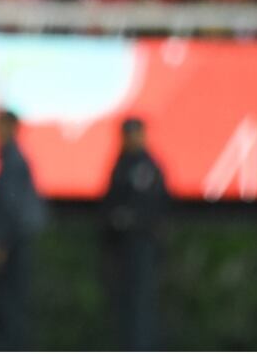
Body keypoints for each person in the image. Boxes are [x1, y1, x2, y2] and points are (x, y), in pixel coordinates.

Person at [0, 109, 46, 351]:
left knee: (8, 311)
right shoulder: (9, 159)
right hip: (12, 245)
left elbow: (10, 208)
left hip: (11, 248)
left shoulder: (13, 161)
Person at [103, 117, 170, 351]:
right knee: (124, 306)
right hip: (121, 246)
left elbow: (158, 208)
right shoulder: (120, 165)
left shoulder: (148, 167)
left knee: (141, 305)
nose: (131, 139)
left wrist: (133, 219)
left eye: (135, 133)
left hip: (143, 245)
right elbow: (109, 205)